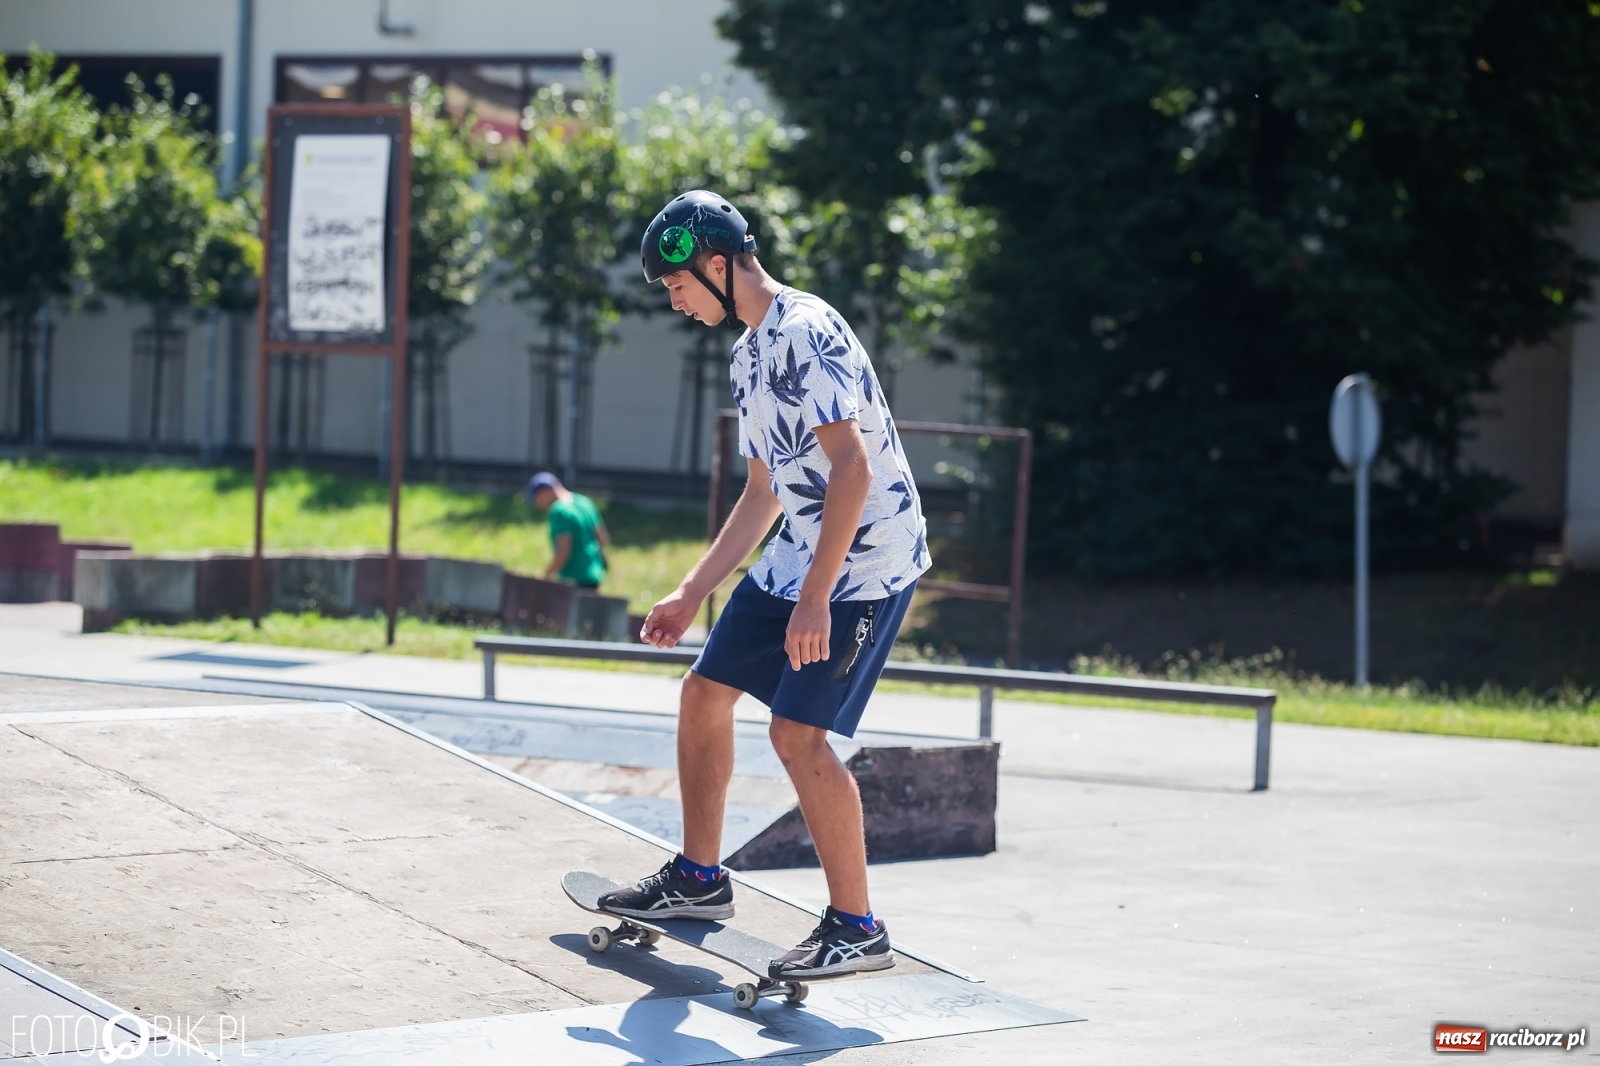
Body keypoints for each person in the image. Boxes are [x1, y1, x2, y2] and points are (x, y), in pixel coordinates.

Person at [599, 190, 930, 980]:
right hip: (803, 550)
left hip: (866, 561)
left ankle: (857, 928)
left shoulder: (805, 334)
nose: (675, 302)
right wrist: (690, 590)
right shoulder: (749, 351)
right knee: (703, 693)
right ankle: (699, 881)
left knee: (796, 735)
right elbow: (763, 493)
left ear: (717, 266)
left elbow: (851, 471)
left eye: (677, 285)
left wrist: (816, 596)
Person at [523, 471, 610, 590]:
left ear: (544, 492)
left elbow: (563, 552)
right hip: (594, 574)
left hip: (573, 578)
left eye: (536, 498)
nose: (537, 504)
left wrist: (546, 575)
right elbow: (602, 539)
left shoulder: (559, 511)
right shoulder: (584, 502)